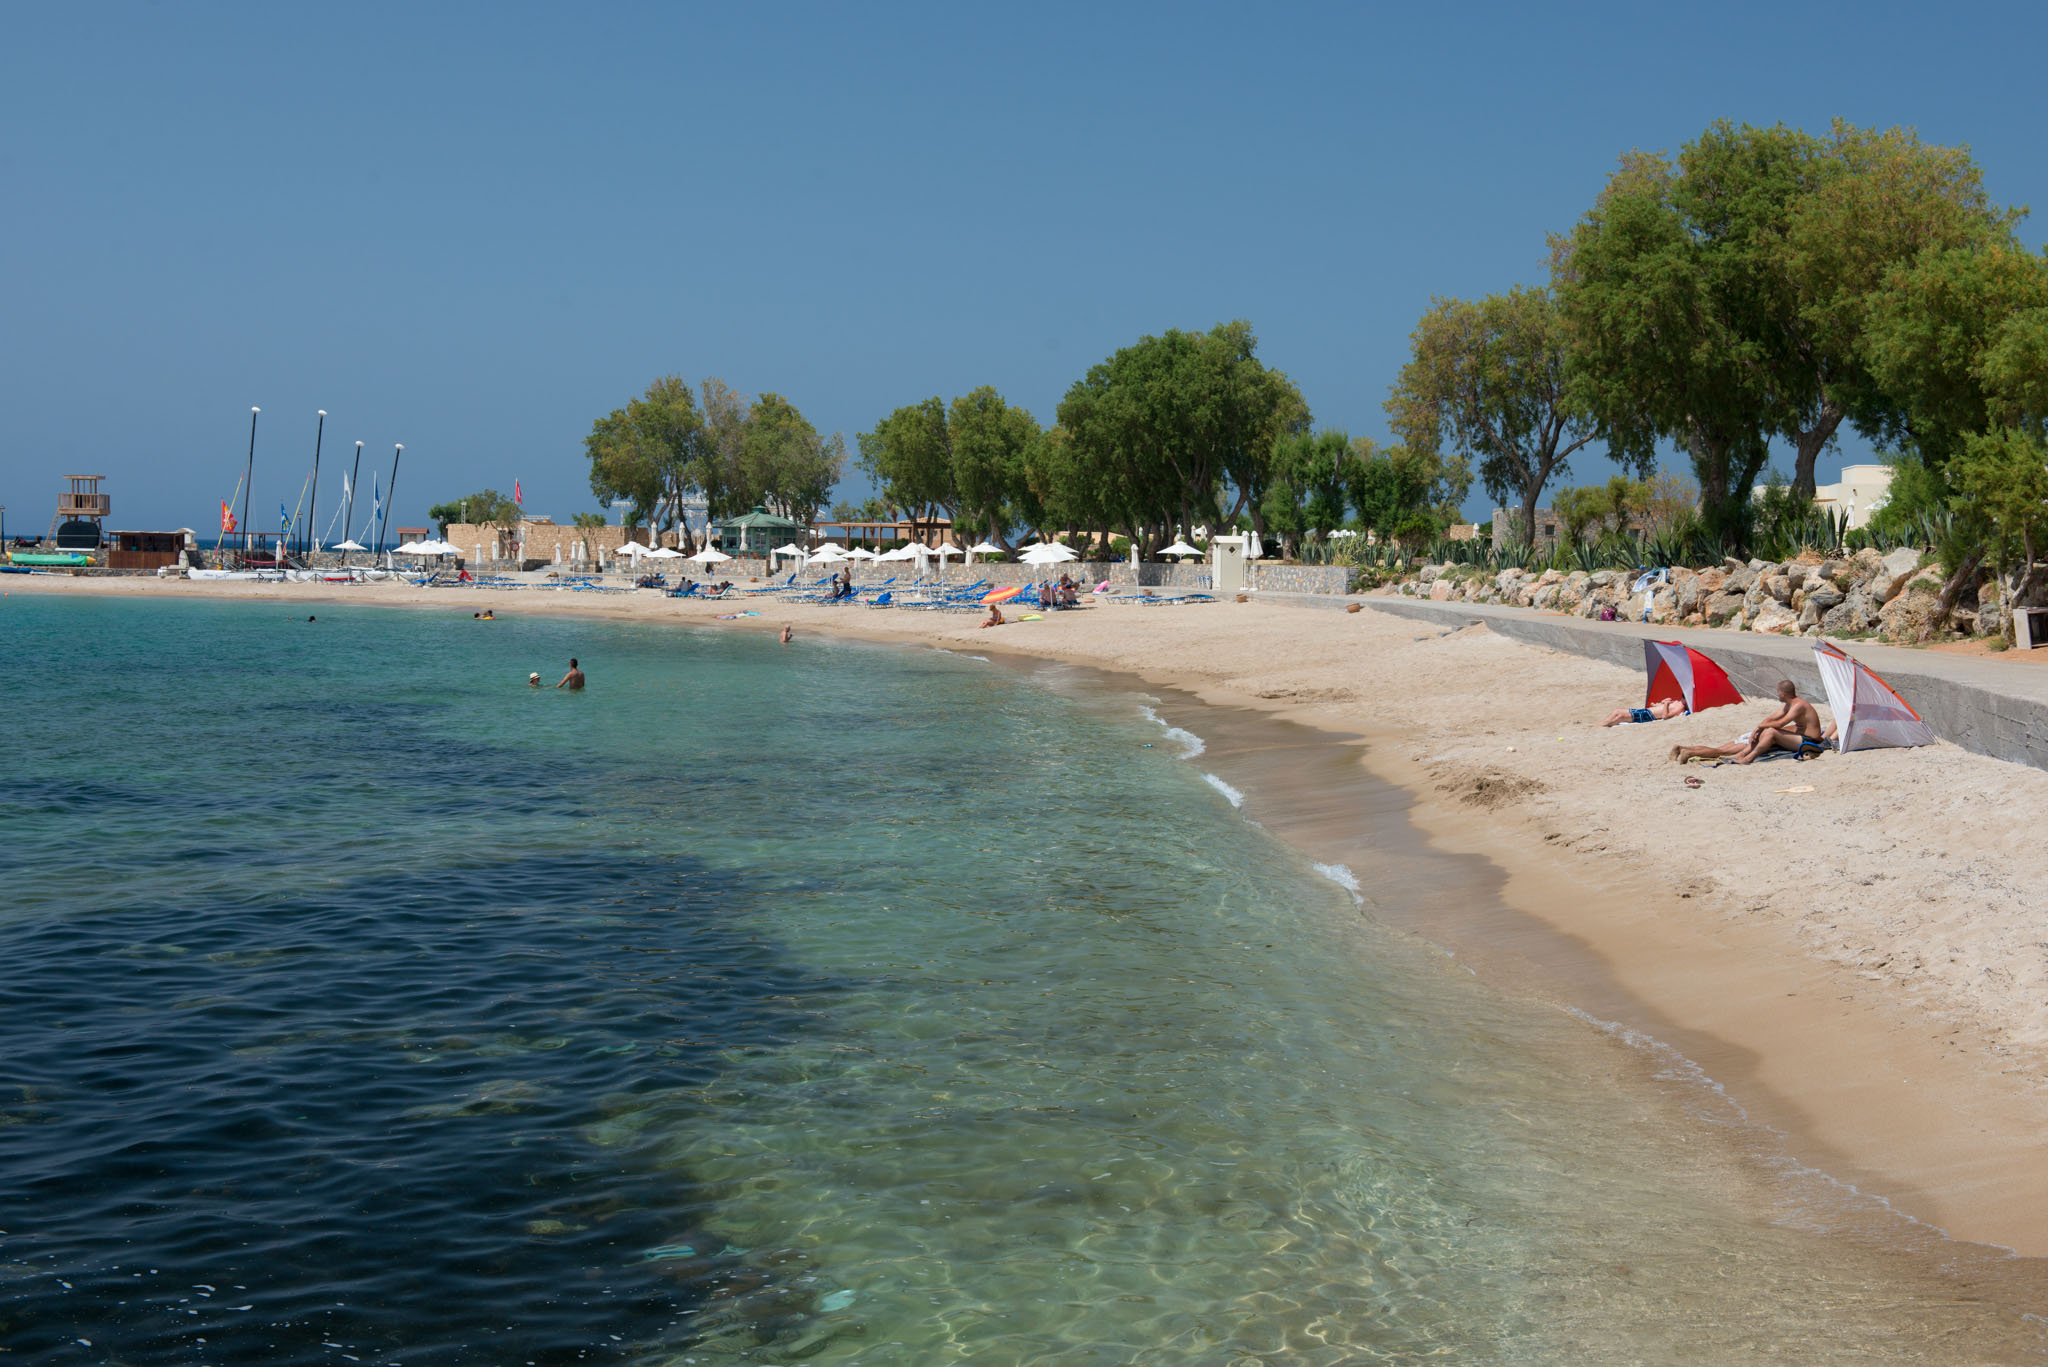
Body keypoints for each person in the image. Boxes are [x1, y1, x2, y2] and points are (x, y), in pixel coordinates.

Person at [1733, 680, 1824, 763]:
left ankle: (1748, 759)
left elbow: (1780, 723)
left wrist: (1761, 726)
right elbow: (1772, 718)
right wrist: (1758, 728)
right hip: (1801, 735)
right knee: (1767, 729)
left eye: (1778, 691)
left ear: (1783, 693)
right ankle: (1742, 754)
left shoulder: (1798, 705)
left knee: (1771, 732)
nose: (1777, 694)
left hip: (1810, 741)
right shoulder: (1789, 704)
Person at [1600, 697, 1686, 727]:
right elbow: (1657, 707)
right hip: (1646, 710)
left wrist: (1666, 704)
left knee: (1620, 717)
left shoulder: (1680, 707)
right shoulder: (1677, 702)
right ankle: (1601, 724)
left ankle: (1602, 725)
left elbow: (1665, 716)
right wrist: (1661, 703)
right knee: (1617, 711)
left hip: (1648, 715)